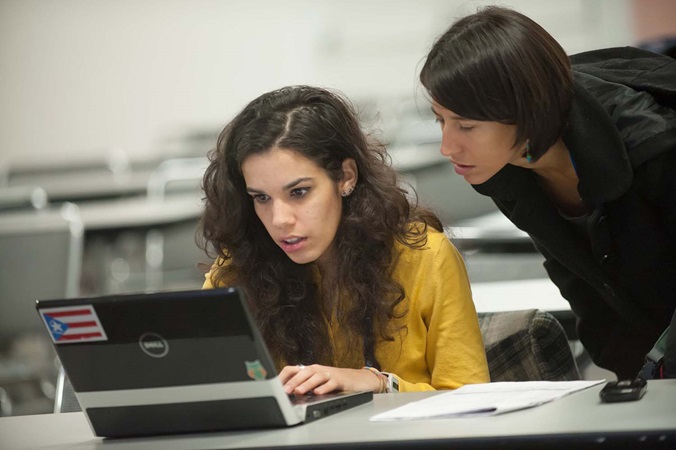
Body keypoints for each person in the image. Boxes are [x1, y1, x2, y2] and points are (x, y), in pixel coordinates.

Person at [419, 6, 676, 380]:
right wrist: (632, 380)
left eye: (466, 126)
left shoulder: (655, 146)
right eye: (440, 120)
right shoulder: (508, 171)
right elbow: (583, 284)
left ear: (524, 111)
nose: (447, 146)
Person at [199, 85, 490, 394]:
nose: (279, 219)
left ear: (346, 176)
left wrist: (380, 384)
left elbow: (471, 400)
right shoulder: (235, 274)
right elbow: (207, 393)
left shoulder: (426, 258)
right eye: (261, 198)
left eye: (299, 192)